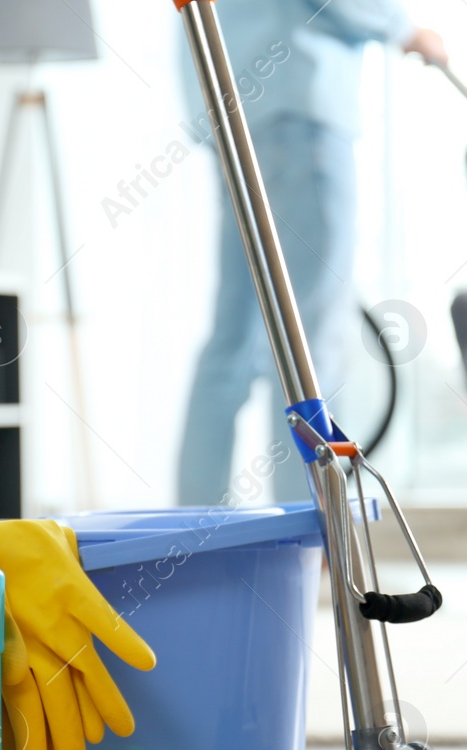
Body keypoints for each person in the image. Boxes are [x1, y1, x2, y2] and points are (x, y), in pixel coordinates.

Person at [176, 0, 447, 505]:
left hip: (232, 112)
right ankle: (312, 530)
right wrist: (404, 28)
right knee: (310, 340)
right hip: (298, 101)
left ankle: (192, 544)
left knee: (232, 341)